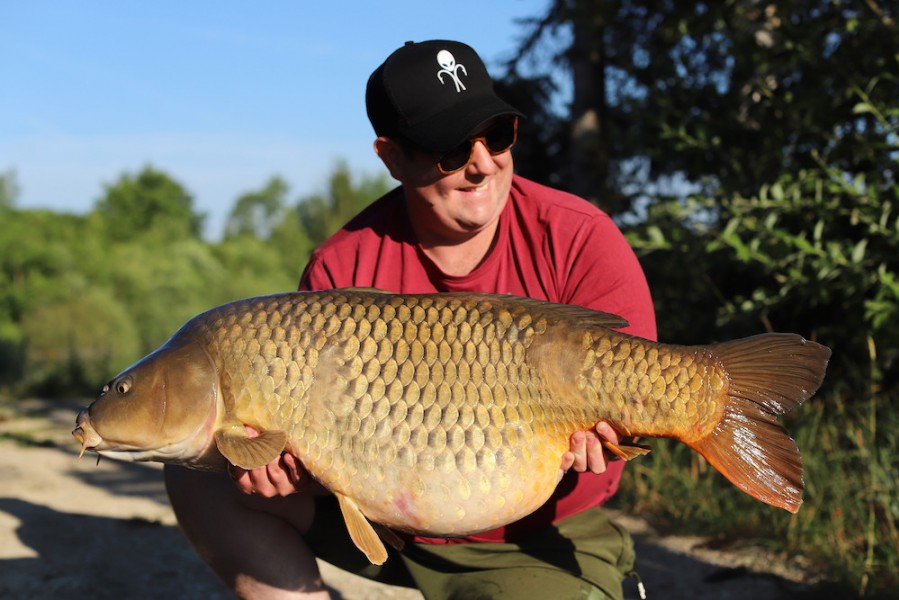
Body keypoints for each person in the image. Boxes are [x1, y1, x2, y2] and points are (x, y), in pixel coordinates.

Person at [164, 39, 656, 600]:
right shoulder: (342, 264)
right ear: (392, 158)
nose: (482, 163)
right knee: (196, 471)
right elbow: (310, 450)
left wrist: (614, 435)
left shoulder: (578, 238)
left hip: (536, 534)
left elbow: (636, 407)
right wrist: (271, 464)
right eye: (450, 148)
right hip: (382, 521)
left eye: (496, 135)